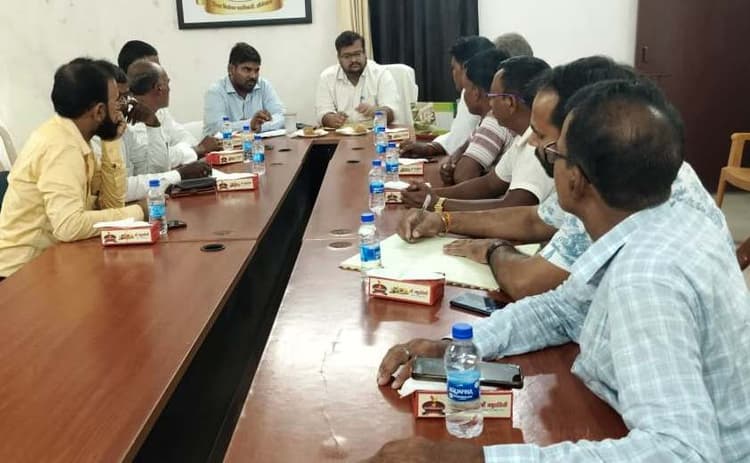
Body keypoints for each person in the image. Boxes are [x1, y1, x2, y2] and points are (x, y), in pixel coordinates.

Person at [368, 79, 750, 463]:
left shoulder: (647, 277)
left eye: (554, 154)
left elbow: (680, 452)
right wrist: (457, 347)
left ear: (575, 179)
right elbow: (562, 310)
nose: (544, 156)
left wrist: (469, 460)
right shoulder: (657, 218)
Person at [398, 57, 733, 300]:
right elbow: (535, 220)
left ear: (585, 128)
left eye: (543, 135)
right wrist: (442, 220)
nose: (532, 142)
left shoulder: (621, 190)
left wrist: (492, 250)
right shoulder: (608, 167)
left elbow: (528, 281)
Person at [0, 58, 145, 278]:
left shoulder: (76, 138)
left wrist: (111, 141)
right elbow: (69, 226)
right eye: (117, 101)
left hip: (56, 263)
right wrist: (139, 211)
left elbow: (111, 205)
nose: (122, 109)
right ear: (98, 111)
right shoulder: (61, 146)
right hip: (20, 276)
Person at [405, 55, 553, 210]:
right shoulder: (521, 138)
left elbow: (510, 208)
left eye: (492, 97)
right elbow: (489, 184)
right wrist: (431, 194)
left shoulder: (536, 146)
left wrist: (438, 203)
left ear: (510, 102)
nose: (490, 103)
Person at [100, 61, 210, 201]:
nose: (126, 103)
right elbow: (120, 190)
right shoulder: (97, 137)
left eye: (126, 96)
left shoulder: (122, 125)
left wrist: (153, 124)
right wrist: (179, 174)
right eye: (118, 98)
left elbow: (155, 170)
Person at [116, 40, 220, 159]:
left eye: (158, 67)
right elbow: (150, 160)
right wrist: (195, 150)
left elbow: (187, 139)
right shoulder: (128, 112)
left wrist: (181, 152)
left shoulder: (158, 109)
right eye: (151, 69)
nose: (158, 73)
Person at [399, 36, 493, 159]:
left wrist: (431, 148)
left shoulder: (474, 96)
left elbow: (458, 144)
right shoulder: (474, 91)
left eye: (454, 68)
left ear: (466, 68)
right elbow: (458, 135)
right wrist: (431, 147)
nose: (452, 73)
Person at [436, 48, 513, 184]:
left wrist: (454, 167)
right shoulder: (487, 119)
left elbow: (463, 176)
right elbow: (465, 147)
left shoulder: (494, 121)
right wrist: (456, 158)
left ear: (476, 93)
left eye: (466, 89)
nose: (464, 94)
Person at [316, 30, 402, 128]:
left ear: (365, 53)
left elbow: (392, 112)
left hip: (376, 132)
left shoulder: (381, 74)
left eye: (357, 54)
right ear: (339, 58)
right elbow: (322, 113)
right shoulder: (327, 77)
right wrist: (331, 119)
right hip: (340, 134)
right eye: (347, 56)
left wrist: (377, 112)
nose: (354, 60)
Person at [203, 42, 285, 136]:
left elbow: (281, 116)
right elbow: (217, 128)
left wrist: (261, 126)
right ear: (231, 69)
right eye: (247, 70)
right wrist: (250, 124)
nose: (253, 76)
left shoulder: (263, 86)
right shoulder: (216, 92)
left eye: (256, 70)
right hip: (222, 145)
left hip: (255, 144)